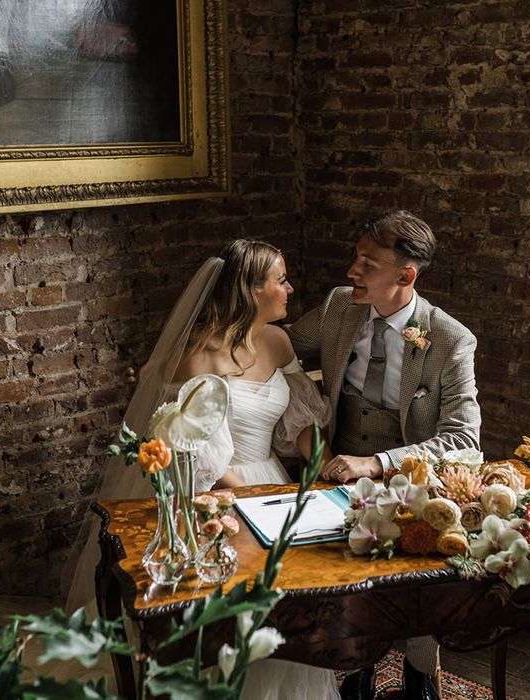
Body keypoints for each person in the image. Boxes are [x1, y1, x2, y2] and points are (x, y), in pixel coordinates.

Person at [65, 239, 340, 700]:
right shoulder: (196, 356)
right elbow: (190, 452)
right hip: (216, 492)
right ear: (252, 290)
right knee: (236, 610)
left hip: (275, 480)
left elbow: (300, 418)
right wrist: (254, 497)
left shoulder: (277, 341)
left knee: (289, 605)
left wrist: (324, 469)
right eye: (281, 280)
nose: (290, 289)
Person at [287, 210, 481, 700]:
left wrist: (377, 464)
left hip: (410, 485)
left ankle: (419, 679)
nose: (353, 270)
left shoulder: (450, 340)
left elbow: (464, 441)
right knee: (344, 583)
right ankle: (355, 673)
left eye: (368, 263)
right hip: (335, 477)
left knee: (414, 584)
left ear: (405, 275)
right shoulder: (337, 308)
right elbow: (279, 345)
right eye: (356, 257)